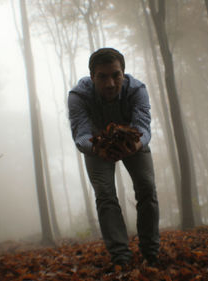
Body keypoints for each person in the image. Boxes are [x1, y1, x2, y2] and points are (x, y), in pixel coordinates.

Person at [68, 48, 160, 267]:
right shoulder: (78, 96)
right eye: (102, 77)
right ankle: (121, 257)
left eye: (115, 75)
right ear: (92, 77)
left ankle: (151, 253)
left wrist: (134, 145)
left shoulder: (137, 90)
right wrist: (99, 149)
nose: (110, 83)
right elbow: (81, 136)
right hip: (96, 145)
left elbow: (143, 128)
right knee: (105, 195)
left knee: (147, 187)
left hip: (133, 141)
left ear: (124, 73)